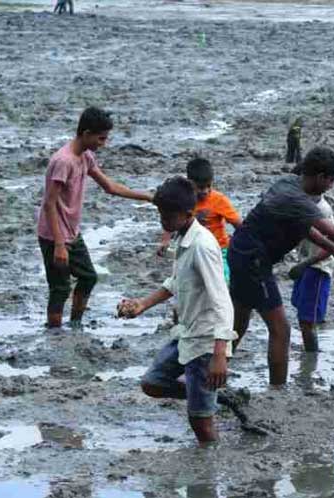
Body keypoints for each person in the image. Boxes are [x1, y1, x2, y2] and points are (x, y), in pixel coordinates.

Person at [229, 146, 334, 385]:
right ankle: (277, 391)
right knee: (281, 330)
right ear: (321, 177)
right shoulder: (297, 199)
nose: (332, 186)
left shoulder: (288, 183)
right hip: (253, 262)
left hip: (242, 253)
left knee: (239, 319)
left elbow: (303, 227)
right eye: (332, 180)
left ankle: (212, 369)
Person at [118, 176, 237, 443]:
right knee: (153, 383)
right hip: (186, 333)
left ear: (188, 213)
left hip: (206, 341)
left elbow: (222, 301)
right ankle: (210, 395)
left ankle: (209, 472)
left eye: (168, 215)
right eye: (160, 214)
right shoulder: (183, 238)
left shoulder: (202, 246)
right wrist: (142, 304)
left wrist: (220, 354)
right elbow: (175, 283)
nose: (163, 221)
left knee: (200, 422)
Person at [37, 107, 152, 329]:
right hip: (54, 235)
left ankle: (76, 324)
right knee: (60, 288)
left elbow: (109, 186)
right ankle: (54, 332)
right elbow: (49, 204)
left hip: (72, 232)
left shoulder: (86, 157)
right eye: (101, 138)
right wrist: (60, 245)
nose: (103, 143)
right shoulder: (64, 161)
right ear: (86, 133)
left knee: (88, 277)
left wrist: (147, 197)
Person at [158, 158, 241, 282]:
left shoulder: (219, 200)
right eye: (201, 188)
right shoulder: (183, 200)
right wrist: (165, 241)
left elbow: (238, 224)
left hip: (218, 249)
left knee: (222, 280)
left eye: (209, 186)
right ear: (190, 183)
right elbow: (171, 220)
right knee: (186, 280)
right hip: (190, 247)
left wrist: (242, 244)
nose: (205, 191)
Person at [288, 193, 334, 353]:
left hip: (318, 267)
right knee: (302, 314)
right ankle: (309, 354)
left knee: (308, 321)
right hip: (306, 263)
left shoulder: (322, 210)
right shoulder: (304, 204)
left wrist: (304, 264)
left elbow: (331, 245)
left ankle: (310, 361)